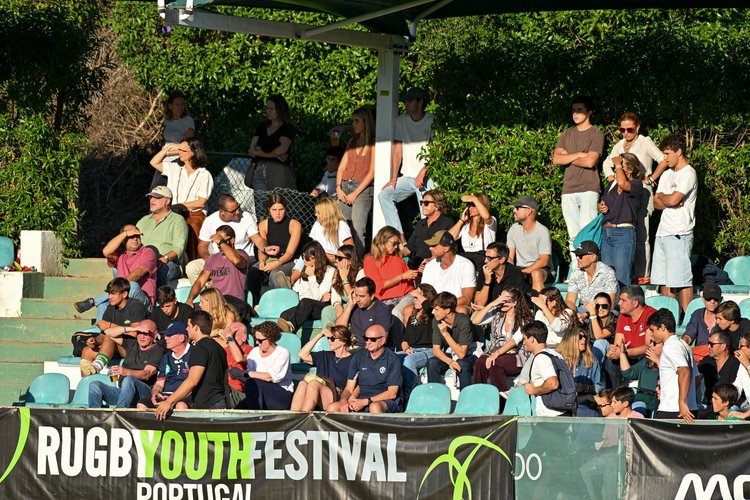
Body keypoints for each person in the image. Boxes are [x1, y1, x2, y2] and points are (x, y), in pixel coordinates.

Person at [602, 112, 667, 283]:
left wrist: (651, 178)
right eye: (622, 129)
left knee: (641, 234)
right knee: (624, 231)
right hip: (621, 194)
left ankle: (642, 274)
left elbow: (663, 160)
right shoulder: (619, 145)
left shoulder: (645, 142)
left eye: (629, 129)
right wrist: (612, 179)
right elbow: (607, 163)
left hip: (640, 191)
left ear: (637, 128)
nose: (625, 133)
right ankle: (626, 275)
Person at [552, 95, 605, 267]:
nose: (575, 113)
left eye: (580, 110)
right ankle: (576, 270)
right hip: (568, 189)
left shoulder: (596, 134)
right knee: (573, 234)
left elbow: (590, 162)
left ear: (589, 112)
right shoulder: (566, 134)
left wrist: (567, 157)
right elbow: (556, 159)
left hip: (589, 188)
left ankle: (590, 269)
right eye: (574, 110)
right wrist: (579, 154)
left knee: (587, 233)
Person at [379, 87, 435, 241]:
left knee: (427, 213)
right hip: (408, 176)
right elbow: (397, 150)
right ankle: (399, 240)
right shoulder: (401, 120)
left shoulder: (432, 120)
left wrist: (424, 171)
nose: (406, 104)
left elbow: (439, 150)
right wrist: (393, 177)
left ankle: (428, 249)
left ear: (420, 102)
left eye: (409, 101)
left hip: (426, 177)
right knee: (385, 195)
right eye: (406, 101)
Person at [652, 133, 698, 315]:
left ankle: (687, 319)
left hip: (680, 232)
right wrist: (665, 198)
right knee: (665, 280)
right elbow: (657, 203)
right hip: (663, 232)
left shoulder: (689, 173)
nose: (664, 158)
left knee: (681, 280)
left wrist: (665, 198)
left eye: (667, 154)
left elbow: (673, 200)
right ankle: (668, 319)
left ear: (679, 152)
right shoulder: (666, 174)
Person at [155, 310, 229, 419]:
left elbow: (192, 380)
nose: (186, 329)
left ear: (196, 328)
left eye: (189, 325)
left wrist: (169, 402)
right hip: (220, 402)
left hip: (208, 405)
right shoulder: (218, 348)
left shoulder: (200, 348)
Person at [150, 138, 214, 262]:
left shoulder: (204, 174)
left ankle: (192, 262)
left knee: (191, 226)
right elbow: (154, 162)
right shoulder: (175, 168)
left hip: (192, 213)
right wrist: (169, 148)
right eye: (179, 149)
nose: (180, 152)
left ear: (194, 152)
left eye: (184, 149)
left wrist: (178, 206)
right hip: (173, 211)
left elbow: (201, 202)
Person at [73, 224, 156, 321]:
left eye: (137, 235)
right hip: (122, 300)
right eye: (130, 236)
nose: (135, 239)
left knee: (132, 285)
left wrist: (116, 288)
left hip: (143, 303)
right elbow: (106, 252)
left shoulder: (148, 252)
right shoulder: (120, 255)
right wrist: (125, 234)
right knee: (103, 305)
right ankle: (102, 333)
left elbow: (139, 272)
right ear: (123, 240)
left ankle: (93, 301)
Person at [185, 193, 265, 285]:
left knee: (231, 267)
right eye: (233, 211)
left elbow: (258, 239)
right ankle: (208, 293)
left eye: (238, 207)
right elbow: (202, 245)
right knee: (192, 268)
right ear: (222, 212)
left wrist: (265, 248)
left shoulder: (246, 217)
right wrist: (208, 259)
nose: (238, 212)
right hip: (217, 259)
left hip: (240, 260)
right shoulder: (210, 221)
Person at [79, 277, 149, 376]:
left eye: (113, 293)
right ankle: (86, 386)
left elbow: (136, 332)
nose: (109, 297)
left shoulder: (136, 306)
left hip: (133, 349)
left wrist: (109, 325)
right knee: (87, 350)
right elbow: (103, 335)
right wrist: (95, 340)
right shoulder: (110, 309)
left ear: (124, 294)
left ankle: (97, 366)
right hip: (116, 347)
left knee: (110, 333)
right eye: (108, 293)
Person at [88, 319, 164, 408]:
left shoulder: (158, 350)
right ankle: (95, 416)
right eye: (140, 332)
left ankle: (119, 413)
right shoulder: (132, 343)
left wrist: (126, 372)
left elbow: (147, 374)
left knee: (129, 379)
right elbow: (108, 333)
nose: (142, 337)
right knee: (95, 385)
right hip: (123, 392)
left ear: (154, 335)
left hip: (144, 394)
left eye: (146, 334)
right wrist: (131, 329)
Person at [327, 325, 403, 414]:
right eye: (366, 338)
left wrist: (366, 401)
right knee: (332, 408)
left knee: (374, 407)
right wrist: (344, 401)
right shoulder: (358, 357)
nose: (368, 342)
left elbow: (392, 393)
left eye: (373, 339)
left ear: (383, 340)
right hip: (362, 399)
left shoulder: (392, 359)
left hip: (386, 401)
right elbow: (349, 388)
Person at [471, 288, 533, 393]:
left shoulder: (525, 318)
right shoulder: (497, 313)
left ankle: (501, 397)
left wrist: (496, 354)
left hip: (515, 353)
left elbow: (515, 340)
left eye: (505, 299)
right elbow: (475, 321)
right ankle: (478, 395)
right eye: (500, 298)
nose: (501, 302)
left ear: (514, 303)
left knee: (496, 364)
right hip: (494, 350)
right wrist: (492, 304)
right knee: (480, 363)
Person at [598, 152, 644, 288]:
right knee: (607, 275)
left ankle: (622, 306)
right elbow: (601, 202)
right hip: (607, 231)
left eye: (621, 166)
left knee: (622, 275)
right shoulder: (611, 185)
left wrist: (617, 164)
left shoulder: (636, 184)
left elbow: (623, 184)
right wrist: (601, 207)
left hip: (623, 233)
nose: (617, 169)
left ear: (630, 169)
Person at [187, 225, 251, 320]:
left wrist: (221, 242)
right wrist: (190, 299)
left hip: (233, 301)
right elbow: (200, 282)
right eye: (216, 241)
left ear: (232, 240)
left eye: (220, 240)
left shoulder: (241, 254)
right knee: (186, 311)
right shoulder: (213, 259)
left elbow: (236, 261)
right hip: (214, 301)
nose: (218, 244)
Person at [335, 106, 375, 256]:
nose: (354, 124)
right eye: (353, 121)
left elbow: (372, 172)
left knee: (358, 228)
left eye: (357, 121)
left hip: (362, 188)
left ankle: (357, 263)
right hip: (345, 185)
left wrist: (356, 193)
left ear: (365, 122)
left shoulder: (373, 143)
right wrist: (338, 188)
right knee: (342, 226)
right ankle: (342, 258)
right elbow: (341, 167)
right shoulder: (352, 141)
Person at [229, 321, 294, 410]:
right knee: (237, 410)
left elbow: (270, 377)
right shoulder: (255, 352)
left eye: (260, 341)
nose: (257, 343)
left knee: (252, 383)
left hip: (280, 395)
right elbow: (249, 380)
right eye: (256, 339)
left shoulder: (282, 352)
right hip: (260, 392)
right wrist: (239, 376)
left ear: (271, 338)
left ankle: (255, 417)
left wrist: (245, 373)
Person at [649, 308, 698, 422]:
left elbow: (684, 371)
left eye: (653, 330)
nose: (651, 335)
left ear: (662, 327)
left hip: (673, 411)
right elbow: (696, 378)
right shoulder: (684, 345)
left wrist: (681, 402)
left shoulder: (671, 346)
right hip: (688, 409)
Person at [291, 325, 356, 411]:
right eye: (328, 338)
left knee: (314, 383)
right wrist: (320, 334)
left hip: (338, 396)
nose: (329, 341)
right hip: (319, 393)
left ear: (343, 341)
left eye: (332, 339)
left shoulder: (353, 360)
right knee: (302, 384)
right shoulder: (325, 355)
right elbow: (302, 354)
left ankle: (304, 417)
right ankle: (293, 418)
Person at [277, 241, 335, 333]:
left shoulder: (330, 271)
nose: (304, 262)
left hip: (323, 308)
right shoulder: (305, 271)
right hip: (308, 306)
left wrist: (312, 277)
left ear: (316, 258)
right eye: (303, 258)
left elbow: (316, 298)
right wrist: (320, 298)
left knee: (306, 303)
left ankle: (291, 326)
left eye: (307, 259)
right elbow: (304, 296)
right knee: (284, 314)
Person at [137, 186, 188, 289]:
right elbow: (133, 242)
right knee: (118, 269)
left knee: (161, 270)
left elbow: (178, 249)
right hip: (143, 261)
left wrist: (163, 259)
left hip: (168, 262)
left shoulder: (177, 220)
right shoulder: (144, 220)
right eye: (151, 197)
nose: (152, 200)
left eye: (157, 197)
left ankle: (157, 302)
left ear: (167, 201)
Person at [605, 285, 656, 387]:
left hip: (644, 357)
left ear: (635, 303)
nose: (619, 303)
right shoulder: (623, 316)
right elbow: (618, 343)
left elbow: (649, 347)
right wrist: (614, 351)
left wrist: (624, 352)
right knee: (610, 363)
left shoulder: (650, 315)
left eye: (623, 300)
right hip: (628, 355)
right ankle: (614, 395)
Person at [251, 193, 302, 293]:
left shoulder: (294, 225)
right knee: (253, 272)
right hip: (270, 258)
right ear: (269, 210)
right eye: (274, 210)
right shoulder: (263, 224)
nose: (278, 213)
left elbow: (290, 253)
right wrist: (261, 261)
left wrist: (277, 263)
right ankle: (255, 304)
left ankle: (283, 302)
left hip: (288, 260)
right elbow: (262, 248)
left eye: (281, 209)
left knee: (275, 275)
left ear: (285, 209)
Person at [426, 292, 478, 390]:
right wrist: (449, 362)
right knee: (432, 362)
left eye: (436, 309)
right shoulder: (436, 321)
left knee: (461, 363)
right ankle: (434, 399)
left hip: (471, 353)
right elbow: (436, 350)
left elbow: (462, 354)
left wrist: (446, 333)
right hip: (452, 353)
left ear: (447, 310)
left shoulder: (463, 320)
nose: (433, 312)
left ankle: (466, 400)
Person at [136, 321, 192, 410]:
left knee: (180, 406)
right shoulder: (166, 356)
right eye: (165, 335)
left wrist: (172, 398)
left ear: (181, 337)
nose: (165, 338)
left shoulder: (193, 353)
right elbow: (159, 383)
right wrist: (155, 392)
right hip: (166, 395)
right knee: (142, 405)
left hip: (185, 396)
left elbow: (193, 383)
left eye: (169, 335)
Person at [245, 94, 296, 190]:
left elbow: (281, 150)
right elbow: (251, 150)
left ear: (280, 110)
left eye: (271, 109)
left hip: (278, 170)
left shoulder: (287, 128)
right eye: (267, 108)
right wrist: (275, 154)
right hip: (259, 168)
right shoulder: (262, 126)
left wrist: (259, 151)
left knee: (277, 203)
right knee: (260, 202)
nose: (268, 111)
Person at [363, 225, 416, 317]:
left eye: (397, 244)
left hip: (405, 296)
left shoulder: (398, 258)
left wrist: (417, 273)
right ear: (383, 241)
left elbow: (410, 283)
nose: (396, 247)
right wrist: (402, 276)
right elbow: (378, 286)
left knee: (396, 313)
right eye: (394, 243)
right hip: (384, 300)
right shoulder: (370, 260)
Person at [397, 284, 437, 398]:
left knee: (409, 361)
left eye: (418, 296)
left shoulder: (433, 314)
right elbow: (404, 340)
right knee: (392, 357)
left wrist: (417, 293)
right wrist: (406, 348)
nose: (415, 299)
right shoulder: (413, 316)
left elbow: (430, 307)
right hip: (412, 350)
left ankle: (409, 396)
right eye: (414, 297)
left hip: (429, 350)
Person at [521, 320, 568, 416]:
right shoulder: (556, 354)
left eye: (525, 339)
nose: (524, 343)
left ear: (532, 339)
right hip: (562, 412)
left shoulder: (541, 358)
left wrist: (534, 390)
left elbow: (553, 383)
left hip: (550, 416)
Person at [150, 90, 196, 190]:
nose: (180, 107)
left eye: (182, 104)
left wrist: (171, 152)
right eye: (177, 104)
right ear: (170, 106)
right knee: (156, 190)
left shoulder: (188, 121)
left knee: (171, 190)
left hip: (177, 161)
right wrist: (165, 152)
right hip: (164, 158)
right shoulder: (167, 120)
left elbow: (188, 145)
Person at [421, 231, 476, 314]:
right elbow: (422, 292)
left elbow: (467, 298)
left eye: (434, 246)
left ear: (446, 248)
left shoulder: (466, 265)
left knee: (461, 310)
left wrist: (442, 307)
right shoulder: (429, 266)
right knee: (408, 310)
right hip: (432, 306)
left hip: (455, 306)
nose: (430, 248)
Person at [506, 196, 553, 292]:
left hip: (542, 269)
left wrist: (524, 272)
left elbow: (544, 261)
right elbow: (510, 257)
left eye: (518, 208)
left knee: (536, 274)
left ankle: (538, 306)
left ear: (529, 211)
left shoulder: (542, 231)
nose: (514, 210)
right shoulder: (514, 229)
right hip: (520, 268)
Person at [401, 189, 454, 267]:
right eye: (421, 203)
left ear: (437, 205)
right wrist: (395, 253)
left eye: (426, 203)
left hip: (436, 267)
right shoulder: (420, 223)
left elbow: (447, 250)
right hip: (415, 267)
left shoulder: (447, 223)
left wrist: (430, 261)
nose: (422, 205)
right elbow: (409, 248)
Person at [448, 193, 497, 278]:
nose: (471, 207)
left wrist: (474, 199)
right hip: (467, 267)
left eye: (474, 205)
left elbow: (486, 217)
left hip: (484, 267)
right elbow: (449, 238)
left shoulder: (490, 222)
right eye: (469, 205)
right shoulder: (466, 225)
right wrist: (462, 220)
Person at [556, 329, 603, 416]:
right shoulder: (558, 360)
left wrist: (586, 388)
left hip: (584, 404)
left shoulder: (591, 361)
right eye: (580, 337)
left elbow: (600, 387)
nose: (584, 339)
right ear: (570, 340)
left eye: (585, 337)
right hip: (561, 404)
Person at [336, 277, 394, 347]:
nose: (358, 299)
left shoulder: (382, 310)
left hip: (366, 350)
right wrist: (350, 305)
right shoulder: (354, 305)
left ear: (372, 296)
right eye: (356, 295)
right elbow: (338, 329)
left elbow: (379, 342)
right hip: (350, 347)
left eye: (362, 296)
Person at [565, 241, 618, 311]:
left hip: (605, 312)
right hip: (582, 310)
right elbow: (570, 301)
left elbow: (609, 306)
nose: (577, 258)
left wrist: (587, 315)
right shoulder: (576, 273)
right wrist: (572, 314)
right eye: (576, 255)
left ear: (593, 257)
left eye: (581, 256)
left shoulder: (608, 273)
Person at [320, 244, 364, 330]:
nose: (336, 260)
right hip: (343, 307)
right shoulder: (337, 273)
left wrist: (344, 278)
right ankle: (330, 338)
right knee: (327, 310)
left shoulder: (361, 272)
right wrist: (337, 305)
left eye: (339, 258)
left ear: (350, 260)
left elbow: (354, 297)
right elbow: (335, 294)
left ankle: (342, 337)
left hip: (356, 306)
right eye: (336, 257)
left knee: (348, 305)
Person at [213, 321, 253, 408]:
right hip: (223, 391)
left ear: (244, 337)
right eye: (229, 334)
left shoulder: (252, 351)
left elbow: (239, 358)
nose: (230, 337)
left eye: (233, 334)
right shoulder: (224, 351)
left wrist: (229, 337)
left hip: (240, 392)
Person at [619, 334, 660, 417]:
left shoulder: (669, 363)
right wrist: (622, 353)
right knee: (637, 412)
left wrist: (658, 360)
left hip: (658, 399)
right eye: (651, 342)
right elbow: (628, 373)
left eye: (655, 343)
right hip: (640, 398)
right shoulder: (646, 361)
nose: (651, 345)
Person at [473, 242, 526, 307]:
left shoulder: (515, 274)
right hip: (487, 310)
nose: (485, 261)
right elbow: (478, 303)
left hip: (508, 312)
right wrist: (487, 282)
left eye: (489, 258)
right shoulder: (484, 272)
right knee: (476, 315)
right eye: (485, 257)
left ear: (502, 260)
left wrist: (487, 309)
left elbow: (510, 303)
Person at [698, 330, 740, 405]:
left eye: (711, 344)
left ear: (723, 346)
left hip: (728, 406)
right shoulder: (707, 361)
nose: (708, 347)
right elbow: (696, 379)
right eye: (708, 343)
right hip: (707, 404)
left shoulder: (736, 364)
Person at [682, 282, 722, 360]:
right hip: (700, 357)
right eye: (709, 298)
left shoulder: (724, 316)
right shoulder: (697, 314)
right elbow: (689, 335)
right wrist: (684, 343)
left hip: (719, 357)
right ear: (703, 299)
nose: (712, 301)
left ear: (720, 299)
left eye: (715, 299)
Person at [582, 292, 618, 363]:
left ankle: (594, 369)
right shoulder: (592, 318)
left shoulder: (615, 320)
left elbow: (599, 336)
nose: (600, 309)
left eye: (604, 306)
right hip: (591, 349)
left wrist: (592, 314)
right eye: (597, 306)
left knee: (600, 342)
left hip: (609, 351)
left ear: (610, 306)